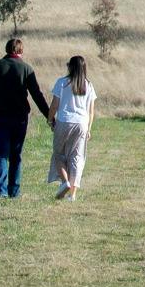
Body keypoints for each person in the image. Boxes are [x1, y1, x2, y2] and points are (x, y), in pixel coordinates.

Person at [0, 36, 50, 198]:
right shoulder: (26, 68)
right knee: (16, 154)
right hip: (19, 119)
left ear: (7, 50)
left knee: (2, 153)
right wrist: (49, 116)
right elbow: (37, 96)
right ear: (21, 51)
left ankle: (1, 190)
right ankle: (14, 190)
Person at [47, 54, 97, 201]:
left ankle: (65, 182)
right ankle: (72, 194)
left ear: (70, 67)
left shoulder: (62, 83)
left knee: (58, 154)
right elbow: (91, 111)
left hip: (64, 121)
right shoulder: (88, 85)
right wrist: (89, 128)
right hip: (82, 123)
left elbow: (54, 105)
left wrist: (50, 120)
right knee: (76, 157)